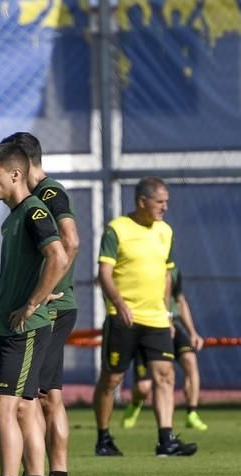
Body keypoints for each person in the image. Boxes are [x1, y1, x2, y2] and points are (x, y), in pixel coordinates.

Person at [0, 142, 69, 476]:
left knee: (3, 406)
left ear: (15, 174)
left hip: (25, 328)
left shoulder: (34, 212)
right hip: (12, 326)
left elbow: (59, 254)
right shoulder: (14, 216)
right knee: (26, 407)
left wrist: (33, 302)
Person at [1, 132, 79, 476]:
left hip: (54, 307)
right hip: (50, 305)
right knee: (42, 396)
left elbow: (70, 242)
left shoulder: (48, 195)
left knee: (35, 398)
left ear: (23, 164)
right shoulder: (26, 205)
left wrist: (46, 291)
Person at [92, 177, 197, 457]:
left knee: (164, 375)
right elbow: (104, 273)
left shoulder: (166, 232)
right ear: (142, 202)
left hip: (156, 320)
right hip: (123, 318)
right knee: (112, 380)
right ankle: (103, 438)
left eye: (166, 202)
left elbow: (166, 275)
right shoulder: (117, 229)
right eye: (160, 202)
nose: (165, 207)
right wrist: (119, 304)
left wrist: (166, 313)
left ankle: (166, 440)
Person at [122, 265, 208, 431]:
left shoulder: (173, 270)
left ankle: (192, 413)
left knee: (190, 359)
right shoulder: (142, 265)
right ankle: (135, 404)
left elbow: (180, 300)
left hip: (172, 323)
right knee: (143, 387)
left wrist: (192, 332)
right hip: (149, 323)